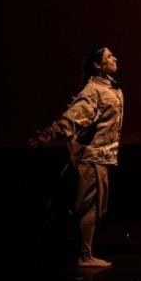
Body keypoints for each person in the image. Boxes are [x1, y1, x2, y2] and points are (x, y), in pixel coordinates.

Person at [30, 47, 123, 268]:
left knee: (91, 205)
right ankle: (85, 255)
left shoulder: (107, 85)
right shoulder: (94, 91)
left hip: (101, 156)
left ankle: (75, 250)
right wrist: (51, 132)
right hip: (91, 158)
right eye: (109, 57)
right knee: (88, 206)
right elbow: (75, 116)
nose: (115, 58)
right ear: (98, 65)